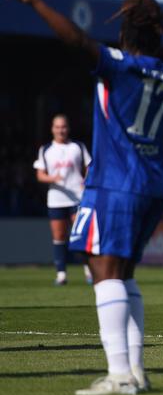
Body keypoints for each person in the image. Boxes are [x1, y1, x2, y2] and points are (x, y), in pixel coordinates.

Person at [5, 0, 163, 395]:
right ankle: (135, 372)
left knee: (103, 271)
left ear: (125, 33)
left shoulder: (117, 64)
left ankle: (119, 374)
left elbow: (75, 39)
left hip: (117, 183)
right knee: (123, 273)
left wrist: (34, 1)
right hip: (154, 183)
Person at [34, 114, 92, 285]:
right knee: (59, 236)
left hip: (77, 198)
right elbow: (40, 175)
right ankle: (61, 274)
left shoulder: (77, 147)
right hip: (56, 199)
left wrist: (86, 182)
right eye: (58, 127)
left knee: (81, 234)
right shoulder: (46, 150)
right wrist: (53, 178)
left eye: (64, 127)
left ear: (68, 128)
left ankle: (89, 271)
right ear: (52, 129)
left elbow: (89, 166)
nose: (61, 130)